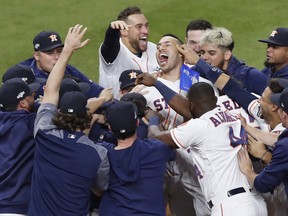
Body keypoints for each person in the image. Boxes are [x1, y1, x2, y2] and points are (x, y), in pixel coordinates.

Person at [175, 43, 287, 216]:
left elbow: (278, 151)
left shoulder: (282, 136)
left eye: (262, 99)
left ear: (274, 107)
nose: (257, 100)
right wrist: (199, 62)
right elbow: (234, 89)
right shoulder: (261, 112)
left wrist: (263, 156)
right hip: (265, 198)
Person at [136, 71, 268, 215]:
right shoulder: (231, 117)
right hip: (255, 202)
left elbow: (155, 138)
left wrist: (153, 119)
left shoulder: (199, 126)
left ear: (192, 103)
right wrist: (156, 83)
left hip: (231, 206)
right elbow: (190, 109)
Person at [28, 24, 110, 216]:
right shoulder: (98, 154)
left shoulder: (44, 133)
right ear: (86, 117)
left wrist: (66, 52)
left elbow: (50, 91)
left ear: (59, 113)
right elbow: (100, 188)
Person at [98, 100, 175, 216]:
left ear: (109, 128)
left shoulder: (102, 152)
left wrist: (94, 118)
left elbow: (81, 139)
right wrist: (153, 121)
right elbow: (167, 141)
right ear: (137, 124)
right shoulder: (157, 149)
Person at [238, 86, 288, 205]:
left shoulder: (284, 146)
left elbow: (263, 184)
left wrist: (248, 170)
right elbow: (278, 139)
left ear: (284, 116)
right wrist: (247, 127)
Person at [19, 30, 104, 99]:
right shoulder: (28, 78)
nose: (57, 57)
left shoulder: (68, 68)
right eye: (50, 53)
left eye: (60, 51)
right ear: (37, 56)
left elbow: (100, 92)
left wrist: (102, 98)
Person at [98, 6, 159, 99]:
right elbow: (109, 45)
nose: (145, 31)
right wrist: (113, 29)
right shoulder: (113, 53)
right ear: (123, 30)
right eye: (139, 27)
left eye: (146, 25)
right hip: (120, 111)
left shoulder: (154, 49)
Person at [0, 77, 40, 215]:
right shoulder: (29, 123)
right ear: (22, 103)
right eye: (31, 96)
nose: (34, 98)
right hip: (17, 208)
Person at [198, 26, 268, 95]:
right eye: (202, 53)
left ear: (227, 55)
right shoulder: (199, 72)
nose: (204, 57)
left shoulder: (252, 77)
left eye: (211, 53)